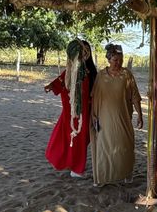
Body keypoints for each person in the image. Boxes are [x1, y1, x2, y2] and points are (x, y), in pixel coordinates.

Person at [90, 43, 143, 186]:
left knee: (125, 146)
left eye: (121, 59)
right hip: (104, 119)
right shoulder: (101, 76)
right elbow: (95, 97)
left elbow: (135, 96)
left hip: (123, 119)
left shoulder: (127, 75)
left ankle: (126, 173)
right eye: (115, 60)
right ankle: (103, 177)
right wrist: (94, 115)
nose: (118, 63)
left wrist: (140, 114)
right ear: (108, 59)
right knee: (104, 147)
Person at [44, 39, 97, 178]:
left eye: (87, 51)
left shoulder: (90, 71)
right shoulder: (71, 70)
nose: (85, 53)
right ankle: (76, 169)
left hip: (86, 111)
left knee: (83, 139)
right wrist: (51, 86)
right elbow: (61, 81)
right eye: (82, 51)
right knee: (71, 138)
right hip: (72, 112)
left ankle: (74, 165)